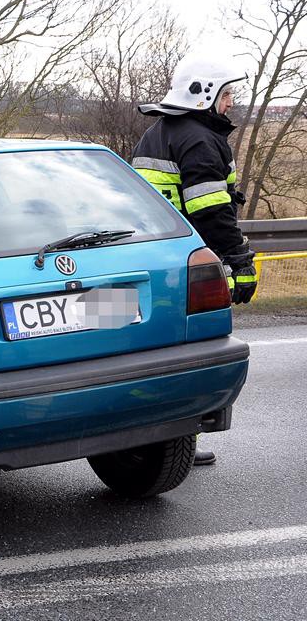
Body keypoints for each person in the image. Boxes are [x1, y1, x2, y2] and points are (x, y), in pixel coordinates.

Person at [132, 54, 257, 468]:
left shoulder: (161, 130)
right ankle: (178, 437)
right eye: (226, 95)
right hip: (182, 260)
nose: (231, 102)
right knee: (188, 352)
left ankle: (149, 440)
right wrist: (239, 260)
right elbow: (210, 210)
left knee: (153, 351)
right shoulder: (200, 139)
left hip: (151, 255)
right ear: (204, 95)